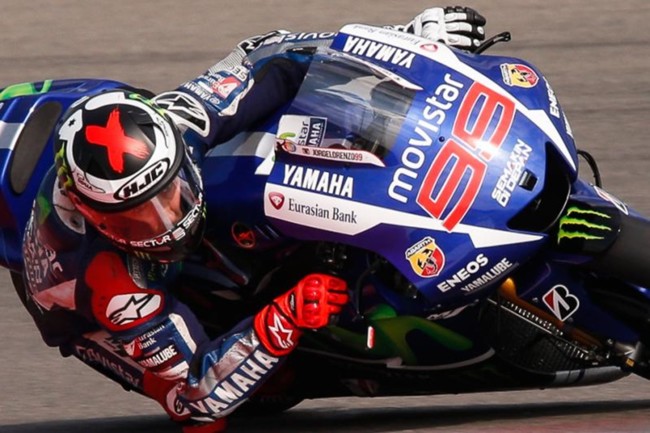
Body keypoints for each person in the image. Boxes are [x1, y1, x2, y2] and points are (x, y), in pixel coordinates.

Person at [17, 6, 487, 433]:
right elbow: (196, 396)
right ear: (93, 214)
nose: (167, 223)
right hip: (87, 311)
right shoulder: (113, 285)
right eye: (136, 220)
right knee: (232, 404)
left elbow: (273, 55)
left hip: (87, 138)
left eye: (170, 195)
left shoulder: (179, 120)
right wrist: (284, 317)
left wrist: (406, 42)